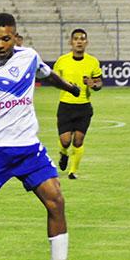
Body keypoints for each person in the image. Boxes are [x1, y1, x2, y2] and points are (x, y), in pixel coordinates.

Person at [0, 13, 84, 260]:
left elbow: (48, 75)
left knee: (56, 200)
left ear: (15, 37)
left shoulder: (29, 57)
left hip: (28, 149)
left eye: (6, 38)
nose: (0, 44)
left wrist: (70, 88)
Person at [54, 29, 102, 179]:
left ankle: (72, 171)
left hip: (83, 107)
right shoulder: (62, 61)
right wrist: (65, 85)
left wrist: (93, 84)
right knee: (65, 141)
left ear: (86, 42)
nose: (79, 41)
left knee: (78, 140)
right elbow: (54, 80)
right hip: (66, 106)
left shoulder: (92, 61)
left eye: (82, 39)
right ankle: (63, 153)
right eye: (76, 39)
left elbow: (99, 83)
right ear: (71, 42)